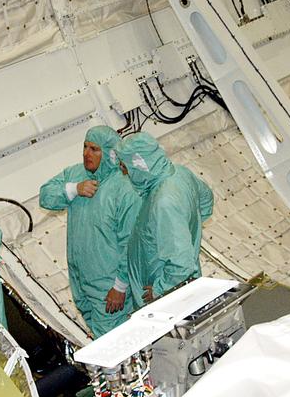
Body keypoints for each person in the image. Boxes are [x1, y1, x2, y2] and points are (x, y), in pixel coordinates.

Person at [39, 125, 141, 338]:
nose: (87, 154)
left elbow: (131, 242)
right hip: (81, 279)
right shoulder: (76, 174)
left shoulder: (124, 188)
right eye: (85, 147)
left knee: (115, 342)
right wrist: (74, 189)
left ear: (111, 153)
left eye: (95, 149)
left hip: (108, 286)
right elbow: (45, 196)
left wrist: (120, 286)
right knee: (99, 336)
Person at [119, 132, 214, 306]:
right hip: (177, 288)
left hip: (170, 297)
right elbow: (206, 199)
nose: (124, 172)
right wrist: (190, 229)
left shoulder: (164, 202)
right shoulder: (179, 173)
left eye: (125, 167)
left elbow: (181, 264)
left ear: (139, 165)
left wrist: (160, 289)